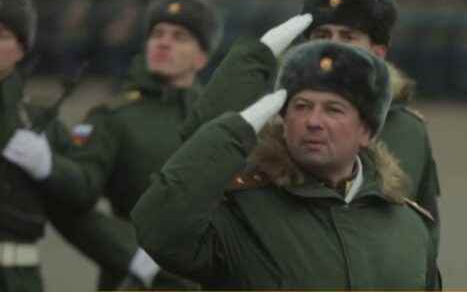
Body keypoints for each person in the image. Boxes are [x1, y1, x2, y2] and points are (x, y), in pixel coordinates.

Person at [131, 40, 440, 289]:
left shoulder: (407, 225)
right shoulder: (242, 213)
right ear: (283, 118)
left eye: (333, 109)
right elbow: (159, 230)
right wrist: (233, 132)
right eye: (301, 107)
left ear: (367, 131)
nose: (313, 122)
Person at [180, 0, 441, 239]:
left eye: (348, 37)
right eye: (321, 35)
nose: (334, 45)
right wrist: (257, 55)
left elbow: (424, 230)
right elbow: (198, 140)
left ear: (378, 52)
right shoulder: (273, 113)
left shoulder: (410, 130)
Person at [12, 0, 219, 290]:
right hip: (138, 280)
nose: (163, 42)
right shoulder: (114, 117)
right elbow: (74, 200)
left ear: (201, 58)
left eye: (179, 37)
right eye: (157, 34)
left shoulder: (221, 116)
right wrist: (128, 251)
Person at [0, 0, 72, 292]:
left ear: (22, 48)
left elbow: (80, 203)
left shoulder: (37, 121)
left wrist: (50, 168)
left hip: (18, 278)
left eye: (1, 35)